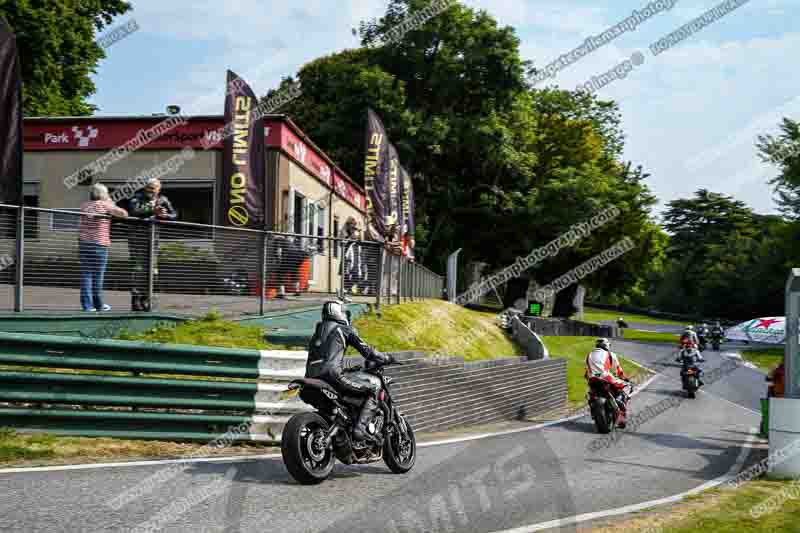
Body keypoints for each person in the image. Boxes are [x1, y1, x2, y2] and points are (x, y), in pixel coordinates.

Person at [304, 301, 394, 443]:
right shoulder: (343, 329)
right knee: (373, 389)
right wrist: (386, 357)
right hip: (332, 376)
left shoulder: (316, 335)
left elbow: (326, 357)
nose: (346, 314)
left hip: (310, 378)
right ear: (337, 313)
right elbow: (368, 351)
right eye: (344, 311)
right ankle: (360, 429)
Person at [127, 178, 177, 311]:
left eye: (153, 188)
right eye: (148, 187)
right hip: (137, 238)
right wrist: (152, 212)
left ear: (158, 189)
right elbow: (134, 212)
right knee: (138, 268)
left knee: (153, 270)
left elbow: (175, 215)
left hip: (154, 238)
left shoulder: (163, 200)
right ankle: (136, 299)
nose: (150, 191)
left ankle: (146, 298)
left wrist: (166, 216)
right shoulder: (136, 197)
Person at [78, 183, 128, 312]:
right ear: (104, 194)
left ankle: (87, 306)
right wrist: (111, 203)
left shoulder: (84, 205)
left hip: (84, 243)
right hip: (99, 244)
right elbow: (124, 214)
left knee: (86, 275)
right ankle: (99, 305)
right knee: (98, 276)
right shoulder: (105, 205)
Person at [585, 338, 630, 428]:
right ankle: (621, 414)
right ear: (606, 345)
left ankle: (593, 409)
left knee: (591, 394)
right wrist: (624, 378)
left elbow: (586, 371)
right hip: (606, 377)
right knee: (627, 386)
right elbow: (618, 369)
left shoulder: (588, 355)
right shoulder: (610, 354)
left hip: (592, 379)